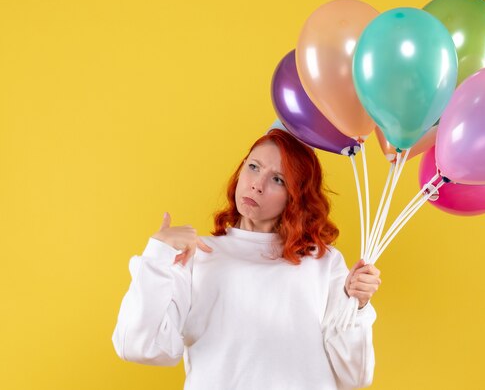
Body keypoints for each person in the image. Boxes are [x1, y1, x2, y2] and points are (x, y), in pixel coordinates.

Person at [112, 129, 382, 390]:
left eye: (278, 179)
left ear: (296, 196)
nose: (257, 184)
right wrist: (158, 253)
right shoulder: (199, 256)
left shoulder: (323, 262)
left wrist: (356, 305)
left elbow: (354, 375)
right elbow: (139, 346)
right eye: (254, 167)